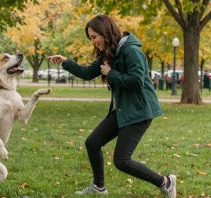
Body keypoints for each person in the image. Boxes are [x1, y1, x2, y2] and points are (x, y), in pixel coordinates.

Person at [47, 15, 176, 197]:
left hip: (140, 111)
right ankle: (99, 187)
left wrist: (111, 73)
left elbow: (137, 81)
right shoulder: (109, 53)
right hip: (124, 109)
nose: (93, 42)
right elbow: (87, 73)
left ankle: (166, 182)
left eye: (94, 37)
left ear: (105, 33)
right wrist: (66, 61)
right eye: (90, 38)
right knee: (93, 143)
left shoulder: (131, 51)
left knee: (121, 161)